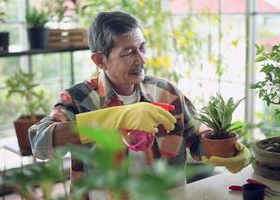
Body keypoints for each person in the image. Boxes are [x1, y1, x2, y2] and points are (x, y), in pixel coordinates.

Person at [29, 10, 250, 192]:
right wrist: (115, 117)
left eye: (142, 48)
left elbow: (197, 139)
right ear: (100, 60)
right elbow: (39, 143)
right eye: (128, 53)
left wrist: (226, 151)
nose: (141, 59)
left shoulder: (167, 92)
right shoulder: (79, 98)